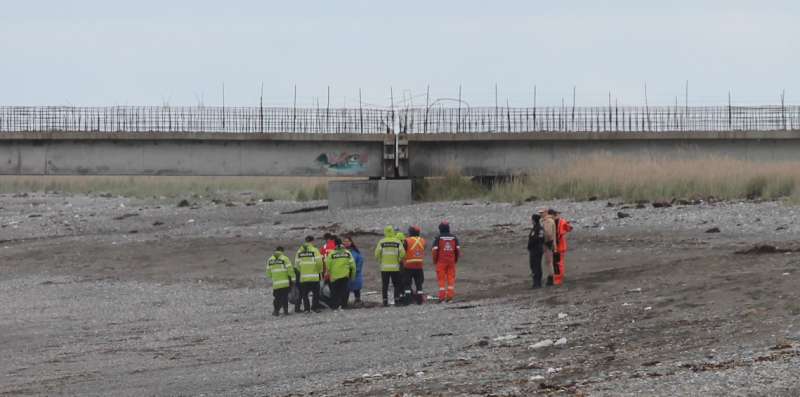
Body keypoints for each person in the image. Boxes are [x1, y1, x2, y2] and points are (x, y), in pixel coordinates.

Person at [374, 225, 405, 307]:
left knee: (385, 285)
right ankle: (397, 300)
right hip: (395, 267)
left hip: (384, 268)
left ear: (385, 232)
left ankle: (385, 301)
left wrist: (381, 260)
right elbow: (403, 253)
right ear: (393, 232)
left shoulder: (382, 242)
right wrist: (398, 259)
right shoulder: (397, 242)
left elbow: (376, 254)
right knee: (396, 284)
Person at [325, 237, 356, 311]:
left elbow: (328, 265)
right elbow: (353, 266)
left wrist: (327, 274)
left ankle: (335, 306)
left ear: (335, 244)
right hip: (345, 275)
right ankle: (343, 305)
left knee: (334, 292)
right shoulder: (347, 253)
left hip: (334, 276)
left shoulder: (332, 254)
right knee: (344, 291)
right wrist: (352, 276)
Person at [295, 235, 324, 313]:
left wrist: (302, 271)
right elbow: (319, 262)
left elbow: (296, 264)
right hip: (314, 276)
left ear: (305, 241)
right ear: (312, 241)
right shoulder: (314, 250)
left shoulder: (299, 251)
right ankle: (315, 307)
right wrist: (319, 271)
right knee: (316, 293)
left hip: (304, 277)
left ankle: (307, 309)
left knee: (305, 294)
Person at [432, 221, 460, 302]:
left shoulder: (438, 238)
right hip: (451, 261)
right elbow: (457, 250)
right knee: (451, 278)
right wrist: (455, 259)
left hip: (441, 262)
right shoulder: (454, 238)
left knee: (441, 279)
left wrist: (435, 260)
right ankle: (450, 296)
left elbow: (434, 251)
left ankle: (442, 297)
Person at [265, 246, 294, 316]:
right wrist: (293, 279)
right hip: (284, 282)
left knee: (277, 297)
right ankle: (286, 311)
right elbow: (290, 270)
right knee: (284, 297)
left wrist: (274, 277)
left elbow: (268, 273)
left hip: (276, 283)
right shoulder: (285, 258)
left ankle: (276, 311)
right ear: (282, 251)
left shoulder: (270, 259)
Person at [403, 225, 427, 304]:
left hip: (408, 265)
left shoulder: (407, 240)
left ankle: (408, 300)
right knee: (419, 283)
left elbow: (403, 251)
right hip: (419, 265)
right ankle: (419, 300)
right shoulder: (423, 240)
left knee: (407, 283)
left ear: (410, 232)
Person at [552, 210, 573, 286]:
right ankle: (557, 278)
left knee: (558, 263)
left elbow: (569, 228)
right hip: (556, 246)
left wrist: (567, 225)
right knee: (556, 263)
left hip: (560, 246)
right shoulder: (555, 222)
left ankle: (558, 279)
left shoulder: (561, 222)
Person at [344, 235, 365, 307]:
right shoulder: (341, 252)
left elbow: (360, 262)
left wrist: (355, 271)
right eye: (345, 241)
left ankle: (357, 300)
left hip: (355, 274)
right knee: (346, 289)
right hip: (345, 274)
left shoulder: (356, 253)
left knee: (356, 288)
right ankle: (344, 302)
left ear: (351, 242)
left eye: (348, 241)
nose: (346, 243)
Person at [527, 211, 545, 289]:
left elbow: (537, 239)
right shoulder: (538, 228)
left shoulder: (538, 228)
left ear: (534, 220)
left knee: (535, 266)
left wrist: (531, 245)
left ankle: (537, 282)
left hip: (536, 250)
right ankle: (537, 282)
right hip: (536, 249)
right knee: (535, 265)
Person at [542, 210, 557, 286]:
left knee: (548, 262)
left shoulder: (548, 221)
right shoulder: (548, 220)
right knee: (549, 261)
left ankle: (551, 278)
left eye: (541, 212)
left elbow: (548, 233)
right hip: (550, 243)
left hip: (548, 243)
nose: (540, 214)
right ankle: (551, 278)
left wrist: (546, 242)